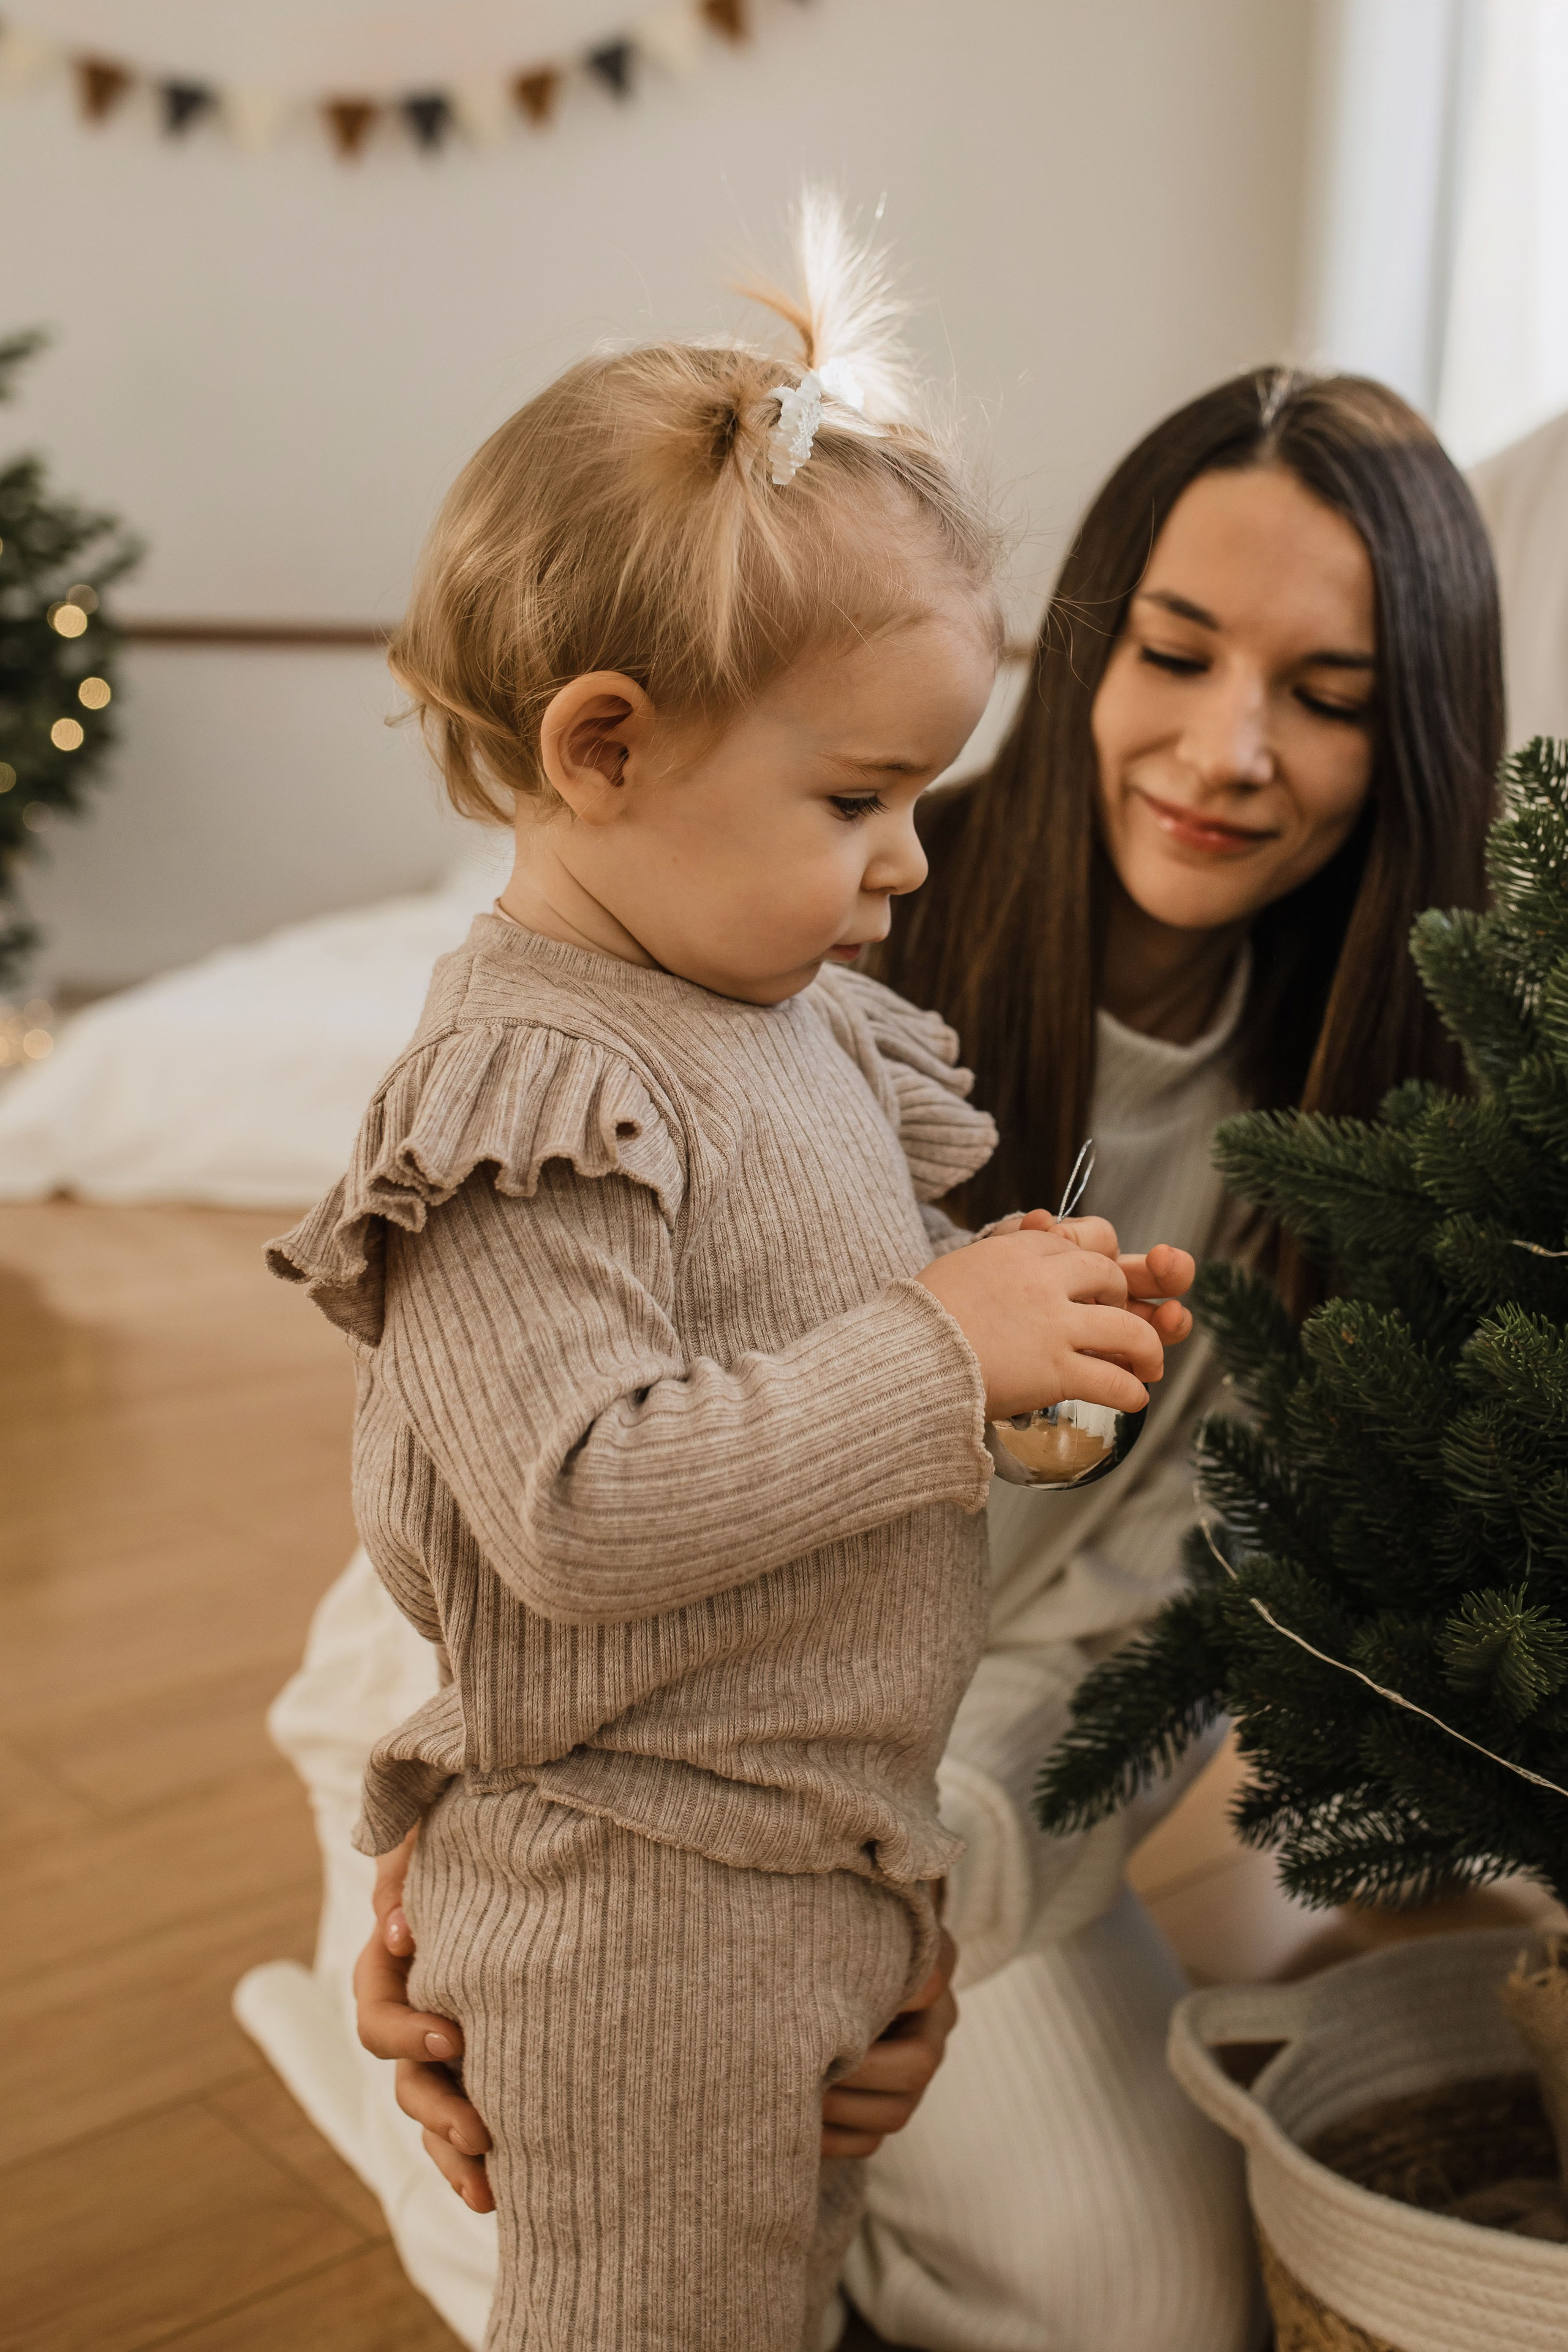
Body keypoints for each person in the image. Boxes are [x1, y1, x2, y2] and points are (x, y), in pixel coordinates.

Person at [346, 363, 1503, 2352]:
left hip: (915, 1815)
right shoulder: (771, 923)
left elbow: (1171, 1631)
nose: (1228, 750)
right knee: (561, 2220)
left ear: (1411, 735)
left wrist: (914, 1921)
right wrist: (438, 1874)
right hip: (606, 1769)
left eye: (1323, 697)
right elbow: (528, 1482)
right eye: (1174, 648)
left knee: (1139, 2311)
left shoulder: (1369, 1123)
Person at [262, 200, 1196, 2352]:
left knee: (781, 2291)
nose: (911, 856)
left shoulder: (775, 1011)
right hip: (632, 1907)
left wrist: (1018, 1352)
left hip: (811, 1847)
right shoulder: (518, 1089)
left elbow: (817, 1341)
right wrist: (933, 1351)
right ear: (604, 751)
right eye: (862, 794)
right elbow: (583, 1506)